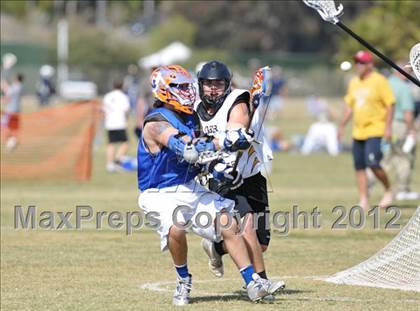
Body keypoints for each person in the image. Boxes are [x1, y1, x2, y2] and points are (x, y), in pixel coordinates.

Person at [137, 65, 271, 305]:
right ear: (165, 91)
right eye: (180, 87)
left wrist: (219, 170)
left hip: (189, 187)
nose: (188, 91)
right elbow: (186, 149)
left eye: (188, 86)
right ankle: (183, 280)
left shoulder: (189, 118)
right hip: (158, 193)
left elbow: (198, 158)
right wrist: (225, 141)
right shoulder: (155, 123)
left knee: (229, 224)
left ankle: (253, 283)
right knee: (176, 227)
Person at [194, 60, 285, 298]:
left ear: (227, 84)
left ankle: (217, 247)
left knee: (261, 243)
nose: (213, 88)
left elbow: (238, 125)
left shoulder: (238, 100)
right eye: (208, 84)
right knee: (247, 228)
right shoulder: (195, 110)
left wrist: (230, 139)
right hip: (222, 179)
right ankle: (260, 282)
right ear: (201, 85)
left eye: (218, 83)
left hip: (251, 176)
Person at [338, 51, 395, 210]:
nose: (358, 66)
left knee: (373, 163)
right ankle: (364, 199)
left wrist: (388, 128)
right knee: (359, 166)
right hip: (358, 131)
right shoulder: (354, 82)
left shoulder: (379, 81)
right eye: (357, 62)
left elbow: (390, 104)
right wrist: (342, 125)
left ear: (370, 64)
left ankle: (388, 190)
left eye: (362, 63)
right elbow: (350, 107)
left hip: (375, 129)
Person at [383, 63, 418, 200]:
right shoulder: (404, 88)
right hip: (400, 125)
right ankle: (403, 189)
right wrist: (412, 130)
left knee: (387, 157)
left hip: (385, 125)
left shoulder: (386, 84)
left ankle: (371, 183)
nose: (411, 74)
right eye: (409, 71)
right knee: (404, 157)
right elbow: (407, 112)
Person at [102, 78, 130, 172]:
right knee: (125, 143)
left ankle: (109, 165)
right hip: (120, 123)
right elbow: (126, 110)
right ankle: (118, 160)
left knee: (111, 143)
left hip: (110, 123)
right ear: (122, 86)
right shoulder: (123, 97)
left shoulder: (107, 96)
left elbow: (104, 110)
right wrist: (127, 120)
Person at [1, 73, 24, 151]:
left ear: (16, 79)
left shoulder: (15, 87)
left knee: (4, 127)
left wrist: (3, 82)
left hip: (10, 111)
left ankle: (11, 142)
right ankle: (12, 142)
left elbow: (7, 95)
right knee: (12, 128)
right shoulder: (19, 86)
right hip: (16, 111)